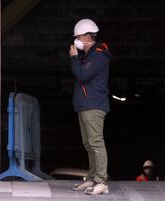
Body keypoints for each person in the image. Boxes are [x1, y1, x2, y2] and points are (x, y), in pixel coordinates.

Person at [69, 19, 111, 195]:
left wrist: (73, 59)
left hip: (93, 105)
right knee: (89, 144)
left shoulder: (98, 55)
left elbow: (82, 74)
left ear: (87, 36)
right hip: (85, 105)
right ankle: (93, 178)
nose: (76, 40)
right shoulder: (89, 55)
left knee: (95, 142)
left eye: (77, 36)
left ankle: (102, 181)